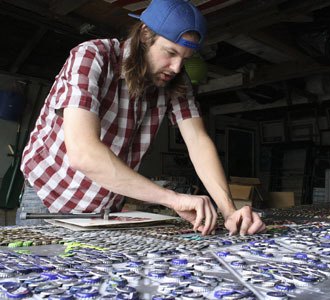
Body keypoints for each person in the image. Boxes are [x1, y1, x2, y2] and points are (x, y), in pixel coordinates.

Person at [17, 0, 266, 235]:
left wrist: (229, 210)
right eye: (170, 52)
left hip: (105, 209)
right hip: (46, 201)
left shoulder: (176, 81)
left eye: (185, 59)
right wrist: (172, 198)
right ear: (146, 35)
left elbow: (198, 142)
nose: (177, 67)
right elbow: (83, 154)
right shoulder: (93, 57)